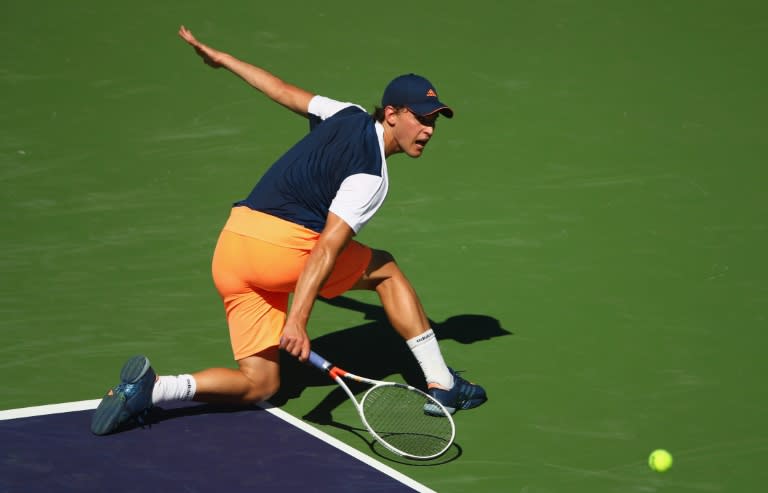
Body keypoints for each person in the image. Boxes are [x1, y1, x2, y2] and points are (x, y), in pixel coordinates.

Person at [90, 25, 487, 436]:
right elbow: (326, 249)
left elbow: (281, 90)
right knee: (385, 270)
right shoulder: (371, 175)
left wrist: (225, 61)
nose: (429, 130)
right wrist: (298, 319)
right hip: (281, 250)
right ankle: (443, 384)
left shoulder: (344, 113)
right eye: (421, 119)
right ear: (391, 114)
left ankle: (152, 390)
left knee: (260, 385)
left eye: (435, 121)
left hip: (232, 248)